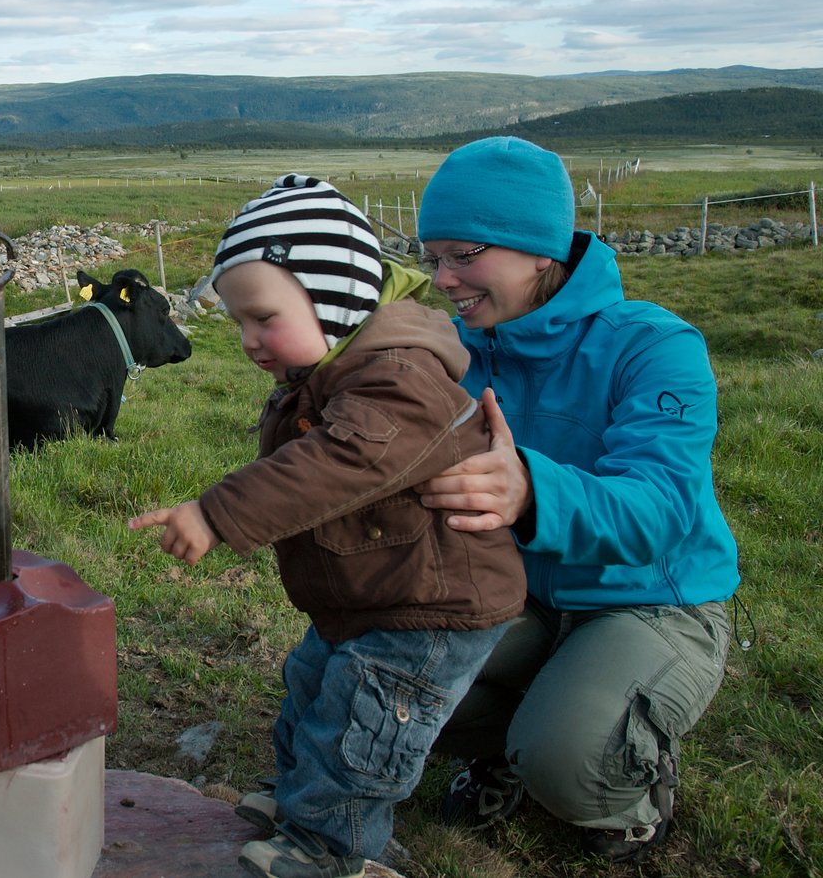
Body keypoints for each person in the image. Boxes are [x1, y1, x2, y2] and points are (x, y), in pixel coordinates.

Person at [129, 175, 526, 878]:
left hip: (431, 606)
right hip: (376, 590)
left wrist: (219, 512)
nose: (249, 340)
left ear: (336, 298)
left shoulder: (399, 378)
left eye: (264, 318)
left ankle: (331, 846)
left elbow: (339, 462)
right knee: (312, 685)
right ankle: (299, 800)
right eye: (240, 322)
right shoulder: (332, 371)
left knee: (363, 722)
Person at [412, 136, 740, 863]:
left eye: (463, 255)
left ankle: (626, 792)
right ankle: (512, 746)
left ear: (539, 250)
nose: (442, 279)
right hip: (516, 592)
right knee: (380, 676)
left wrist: (531, 490)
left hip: (648, 599)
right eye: (431, 257)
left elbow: (661, 510)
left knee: (570, 761)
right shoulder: (452, 352)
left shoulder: (652, 346)